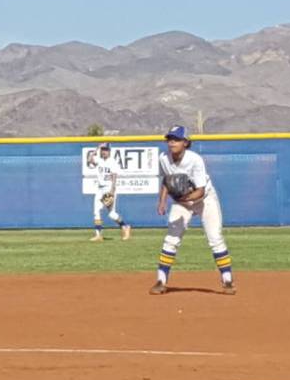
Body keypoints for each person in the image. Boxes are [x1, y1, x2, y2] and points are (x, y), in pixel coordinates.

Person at [150, 126, 235, 295]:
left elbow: (201, 191)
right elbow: (167, 181)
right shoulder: (163, 159)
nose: (171, 142)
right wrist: (162, 202)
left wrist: (184, 199)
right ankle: (161, 281)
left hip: (205, 200)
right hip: (182, 202)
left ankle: (227, 281)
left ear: (186, 142)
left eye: (176, 139)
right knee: (171, 239)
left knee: (215, 238)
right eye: (169, 139)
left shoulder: (195, 160)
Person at [87, 143, 131, 241]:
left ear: (109, 151)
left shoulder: (112, 162)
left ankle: (125, 226)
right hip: (99, 189)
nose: (104, 151)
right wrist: (97, 148)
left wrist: (112, 190)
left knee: (111, 214)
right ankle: (98, 235)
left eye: (106, 149)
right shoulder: (99, 160)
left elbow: (114, 176)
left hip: (108, 188)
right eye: (102, 149)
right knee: (96, 211)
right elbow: (89, 159)